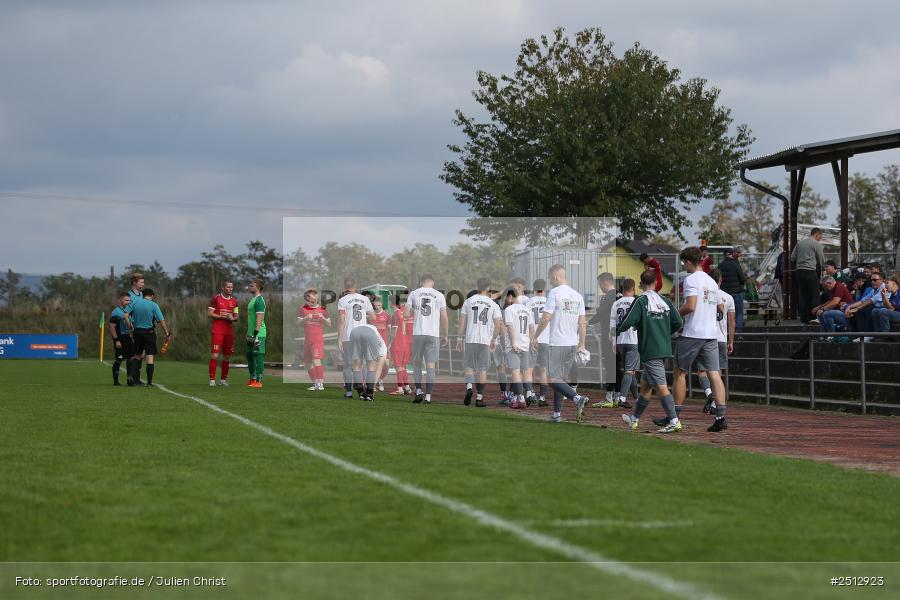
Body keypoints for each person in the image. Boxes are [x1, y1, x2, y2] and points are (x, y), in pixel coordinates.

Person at [618, 270, 683, 432]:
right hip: (664, 347)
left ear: (640, 284)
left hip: (650, 350)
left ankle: (674, 421)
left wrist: (616, 330)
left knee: (661, 387)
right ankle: (634, 419)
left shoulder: (640, 301)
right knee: (646, 386)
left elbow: (627, 321)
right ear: (656, 282)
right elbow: (678, 321)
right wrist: (664, 333)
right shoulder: (665, 300)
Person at [672, 247, 727, 433]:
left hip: (693, 332)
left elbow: (691, 306)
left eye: (683, 262)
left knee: (679, 372)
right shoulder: (711, 281)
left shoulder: (691, 279)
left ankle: (674, 416)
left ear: (688, 261)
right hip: (711, 334)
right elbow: (720, 308)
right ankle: (720, 417)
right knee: (714, 374)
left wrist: (674, 314)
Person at [532, 264, 589, 423]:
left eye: (551, 278)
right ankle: (556, 414)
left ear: (556, 276)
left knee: (552, 379)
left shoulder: (555, 293)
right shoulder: (577, 295)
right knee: (560, 379)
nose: (550, 282)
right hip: (572, 343)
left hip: (558, 342)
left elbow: (545, 318)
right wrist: (581, 344)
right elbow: (582, 323)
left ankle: (577, 398)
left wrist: (535, 336)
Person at [683, 268, 734, 417]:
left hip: (705, 336)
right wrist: (731, 340)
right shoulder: (728, 297)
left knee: (702, 371)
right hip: (722, 337)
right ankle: (716, 406)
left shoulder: (702, 291)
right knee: (717, 373)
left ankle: (709, 393)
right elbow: (731, 321)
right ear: (721, 280)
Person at [458, 278, 503, 407]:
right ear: (489, 287)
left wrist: (459, 338)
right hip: (485, 340)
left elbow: (462, 322)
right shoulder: (493, 304)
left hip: (471, 339)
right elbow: (498, 325)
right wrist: (494, 339)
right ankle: (479, 398)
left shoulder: (468, 301)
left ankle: (469, 388)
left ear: (477, 286)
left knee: (468, 367)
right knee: (483, 369)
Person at [404, 274, 448, 404]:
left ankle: (418, 391)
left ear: (421, 283)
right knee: (431, 366)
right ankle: (428, 396)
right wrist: (445, 334)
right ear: (432, 283)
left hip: (418, 333)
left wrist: (413, 311)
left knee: (417, 364)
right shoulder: (439, 295)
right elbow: (444, 317)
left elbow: (406, 314)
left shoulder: (414, 293)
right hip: (433, 334)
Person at [596, 278, 637, 409]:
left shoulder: (617, 303)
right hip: (633, 340)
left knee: (628, 370)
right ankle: (622, 397)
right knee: (629, 370)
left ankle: (632, 397)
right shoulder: (637, 302)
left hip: (620, 341)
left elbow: (612, 324)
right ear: (633, 288)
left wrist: (614, 341)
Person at [337, 278, 375, 398]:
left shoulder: (343, 300)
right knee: (361, 364)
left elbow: (341, 320)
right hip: (363, 334)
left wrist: (339, 338)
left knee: (348, 365)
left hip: (349, 336)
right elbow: (373, 317)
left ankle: (349, 392)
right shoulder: (365, 299)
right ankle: (365, 391)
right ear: (355, 286)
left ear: (345, 287)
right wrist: (364, 316)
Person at [129, 288, 170, 387]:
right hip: (149, 333)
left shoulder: (135, 304)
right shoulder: (153, 305)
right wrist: (167, 333)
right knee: (149, 356)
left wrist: (131, 326)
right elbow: (161, 320)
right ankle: (149, 382)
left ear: (143, 295)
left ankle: (131, 376)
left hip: (137, 332)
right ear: (152, 296)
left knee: (137, 356)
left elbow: (127, 315)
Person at [588, 272, 619, 404]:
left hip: (609, 336)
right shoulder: (619, 295)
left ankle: (610, 396)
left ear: (604, 282)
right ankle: (618, 396)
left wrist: (587, 322)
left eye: (600, 284)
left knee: (610, 365)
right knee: (618, 366)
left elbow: (601, 314)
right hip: (620, 336)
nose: (599, 287)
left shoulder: (608, 297)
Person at [503, 287, 536, 408]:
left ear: (511, 296)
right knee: (526, 371)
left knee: (516, 372)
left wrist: (512, 342)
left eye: (506, 297)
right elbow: (532, 328)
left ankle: (520, 398)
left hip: (514, 345)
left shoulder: (509, 310)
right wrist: (532, 340)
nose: (505, 300)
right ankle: (528, 393)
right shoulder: (527, 310)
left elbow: (510, 327)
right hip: (525, 344)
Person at [790, 228, 825, 323]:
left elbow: (792, 258)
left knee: (802, 295)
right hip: (810, 271)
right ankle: (815, 317)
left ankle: (804, 319)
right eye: (820, 237)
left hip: (799, 272)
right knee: (815, 295)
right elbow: (821, 260)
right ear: (817, 235)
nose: (820, 239)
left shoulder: (800, 243)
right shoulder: (816, 244)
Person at [208, 280, 239, 386]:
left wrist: (232, 318)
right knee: (215, 355)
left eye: (231, 287)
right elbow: (210, 313)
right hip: (217, 331)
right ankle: (212, 380)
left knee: (227, 356)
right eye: (228, 287)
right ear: (223, 288)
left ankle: (223, 380)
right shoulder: (215, 299)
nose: (230, 289)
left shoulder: (235, 301)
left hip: (229, 332)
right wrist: (222, 316)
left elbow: (236, 317)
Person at [299, 288, 331, 391]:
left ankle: (321, 384)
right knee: (307, 362)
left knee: (316, 360)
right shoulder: (302, 309)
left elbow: (329, 324)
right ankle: (315, 383)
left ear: (316, 297)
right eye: (308, 295)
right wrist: (306, 318)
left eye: (313, 295)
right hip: (307, 339)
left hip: (317, 339)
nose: (310, 297)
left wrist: (323, 318)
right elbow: (298, 323)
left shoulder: (323, 309)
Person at [525, 279, 549, 407]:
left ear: (533, 289)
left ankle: (529, 393)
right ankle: (543, 398)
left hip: (532, 339)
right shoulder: (549, 302)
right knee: (543, 370)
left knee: (529, 368)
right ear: (544, 288)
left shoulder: (528, 302)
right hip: (546, 339)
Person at [348, 323, 387, 401]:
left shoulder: (380, 341)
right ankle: (369, 394)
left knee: (356, 366)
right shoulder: (383, 349)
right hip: (370, 333)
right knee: (371, 367)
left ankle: (361, 393)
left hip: (354, 332)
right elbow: (378, 369)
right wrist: (373, 387)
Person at [844, 272, 887, 340]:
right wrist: (849, 307)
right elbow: (863, 300)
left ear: (881, 281)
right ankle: (855, 336)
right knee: (853, 311)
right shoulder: (873, 290)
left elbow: (871, 300)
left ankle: (867, 335)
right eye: (871, 280)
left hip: (885, 309)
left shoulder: (884, 288)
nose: (872, 282)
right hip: (877, 309)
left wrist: (857, 308)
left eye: (875, 280)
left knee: (868, 309)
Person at [109, 291, 135, 386]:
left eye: (129, 300)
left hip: (128, 337)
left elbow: (129, 326)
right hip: (120, 338)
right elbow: (112, 327)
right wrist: (116, 340)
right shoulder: (115, 312)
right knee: (119, 359)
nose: (128, 302)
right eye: (126, 300)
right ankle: (116, 381)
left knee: (131, 358)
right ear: (120, 300)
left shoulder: (126, 312)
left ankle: (129, 378)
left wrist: (127, 318)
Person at [244, 279, 267, 388]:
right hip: (251, 333)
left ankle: (259, 380)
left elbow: (259, 317)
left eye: (251, 285)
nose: (249, 287)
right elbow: (251, 319)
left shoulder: (259, 300)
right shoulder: (252, 300)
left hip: (258, 334)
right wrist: (248, 333)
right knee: (249, 355)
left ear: (258, 287)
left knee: (258, 356)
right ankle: (252, 378)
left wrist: (256, 333)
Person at [389, 294, 413, 395]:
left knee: (398, 367)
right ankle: (407, 387)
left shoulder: (395, 314)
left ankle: (400, 389)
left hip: (398, 344)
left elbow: (394, 331)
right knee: (403, 367)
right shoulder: (403, 312)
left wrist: (390, 343)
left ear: (391, 303)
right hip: (405, 343)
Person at [718, 247, 746, 332]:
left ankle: (726, 331)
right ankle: (738, 331)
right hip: (736, 293)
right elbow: (742, 278)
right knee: (739, 312)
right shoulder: (735, 264)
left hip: (725, 294)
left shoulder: (720, 265)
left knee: (725, 312)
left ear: (724, 255)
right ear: (732, 254)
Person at [369, 297, 391, 391]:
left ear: (382, 305)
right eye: (375, 305)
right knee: (373, 364)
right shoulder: (370, 316)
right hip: (372, 343)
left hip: (384, 344)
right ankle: (372, 384)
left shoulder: (386, 315)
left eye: (379, 305)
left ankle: (380, 379)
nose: (377, 307)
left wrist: (389, 344)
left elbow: (390, 331)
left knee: (386, 365)